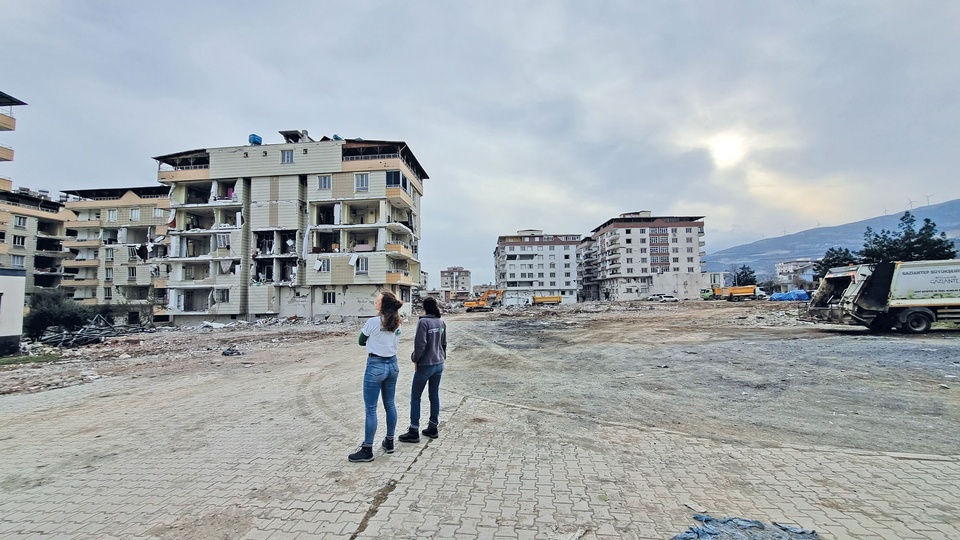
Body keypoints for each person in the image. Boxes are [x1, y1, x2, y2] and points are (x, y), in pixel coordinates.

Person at [348, 291, 403, 463]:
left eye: (378, 300)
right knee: (390, 404)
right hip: (393, 365)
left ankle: (367, 449)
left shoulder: (372, 322)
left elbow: (360, 341)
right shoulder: (397, 323)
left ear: (383, 304)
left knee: (371, 409)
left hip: (376, 366)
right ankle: (389, 441)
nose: (375, 302)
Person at [398, 296, 446, 443]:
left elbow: (420, 345)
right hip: (439, 364)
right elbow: (444, 344)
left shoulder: (423, 322)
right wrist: (442, 357)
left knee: (415, 397)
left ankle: (413, 430)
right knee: (434, 395)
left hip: (425, 365)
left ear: (424, 307)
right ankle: (433, 427)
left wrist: (415, 359)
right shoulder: (441, 322)